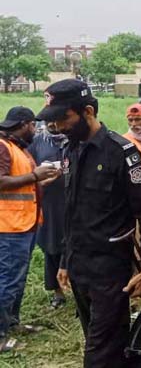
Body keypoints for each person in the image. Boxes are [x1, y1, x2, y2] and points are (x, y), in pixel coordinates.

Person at [37, 79, 141, 368]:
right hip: (80, 266)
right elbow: (72, 213)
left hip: (111, 271)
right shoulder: (71, 151)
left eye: (63, 118)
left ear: (87, 111)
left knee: (97, 359)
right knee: (105, 346)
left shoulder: (121, 152)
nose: (57, 126)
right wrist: (65, 261)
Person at [0, 107, 60, 350]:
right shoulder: (3, 147)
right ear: (24, 124)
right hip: (9, 226)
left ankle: (12, 322)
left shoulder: (18, 148)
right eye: (33, 126)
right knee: (7, 279)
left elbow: (20, 186)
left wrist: (40, 182)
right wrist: (35, 177)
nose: (35, 130)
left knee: (17, 278)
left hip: (24, 224)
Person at [28, 117, 68, 309]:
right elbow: (28, 171)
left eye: (56, 120)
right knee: (51, 245)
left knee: (77, 244)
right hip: (49, 202)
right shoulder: (37, 141)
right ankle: (57, 292)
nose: (53, 124)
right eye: (49, 121)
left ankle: (80, 289)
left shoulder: (74, 138)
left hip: (74, 200)